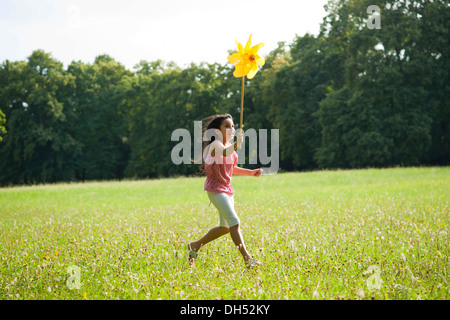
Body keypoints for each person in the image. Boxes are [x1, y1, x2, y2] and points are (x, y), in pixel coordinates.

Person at [187, 114, 263, 268]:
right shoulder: (215, 146)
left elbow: (231, 168)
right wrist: (236, 144)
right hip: (216, 189)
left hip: (227, 190)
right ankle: (248, 260)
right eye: (227, 126)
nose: (232, 129)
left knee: (225, 227)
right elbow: (226, 152)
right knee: (235, 223)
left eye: (233, 126)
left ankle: (195, 245)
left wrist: (250, 172)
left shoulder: (229, 148)